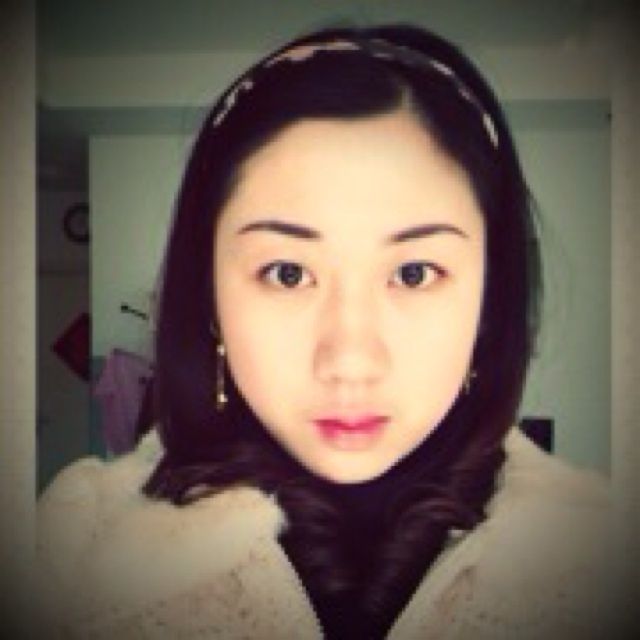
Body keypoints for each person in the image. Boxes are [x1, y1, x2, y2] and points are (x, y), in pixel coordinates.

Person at [36, 23, 630, 639]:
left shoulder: (600, 561)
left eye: (414, 273)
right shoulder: (75, 555)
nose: (350, 360)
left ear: (490, 300)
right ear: (210, 296)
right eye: (288, 273)